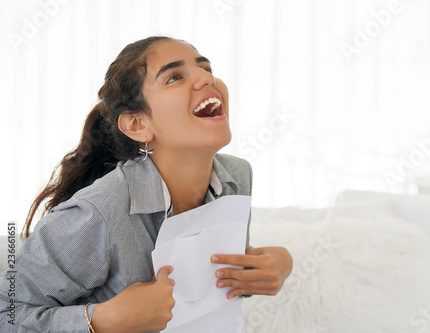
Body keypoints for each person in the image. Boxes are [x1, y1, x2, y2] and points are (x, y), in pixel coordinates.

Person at [0, 36, 293, 332]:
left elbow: (216, 281)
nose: (207, 78)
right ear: (138, 125)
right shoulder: (98, 213)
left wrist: (280, 263)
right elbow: (6, 314)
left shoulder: (237, 178)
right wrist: (102, 320)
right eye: (175, 76)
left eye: (206, 68)